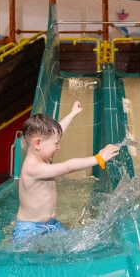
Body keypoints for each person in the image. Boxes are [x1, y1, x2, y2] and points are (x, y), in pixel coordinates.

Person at [13, 101, 120, 242]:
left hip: (51, 224)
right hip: (29, 229)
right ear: (37, 143)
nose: (58, 147)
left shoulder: (41, 155)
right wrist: (98, 158)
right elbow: (68, 166)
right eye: (55, 144)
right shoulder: (33, 168)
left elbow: (56, 134)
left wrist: (73, 113)